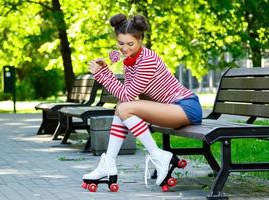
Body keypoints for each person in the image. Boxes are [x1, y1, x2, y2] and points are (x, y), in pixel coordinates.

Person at [84, 13, 202, 188]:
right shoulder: (130, 61)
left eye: (130, 44)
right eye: (120, 43)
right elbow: (127, 97)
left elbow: (128, 96)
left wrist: (103, 75)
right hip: (169, 109)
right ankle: (108, 162)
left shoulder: (147, 60)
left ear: (140, 40)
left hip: (185, 107)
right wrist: (106, 71)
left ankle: (158, 155)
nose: (124, 49)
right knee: (121, 107)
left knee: (123, 107)